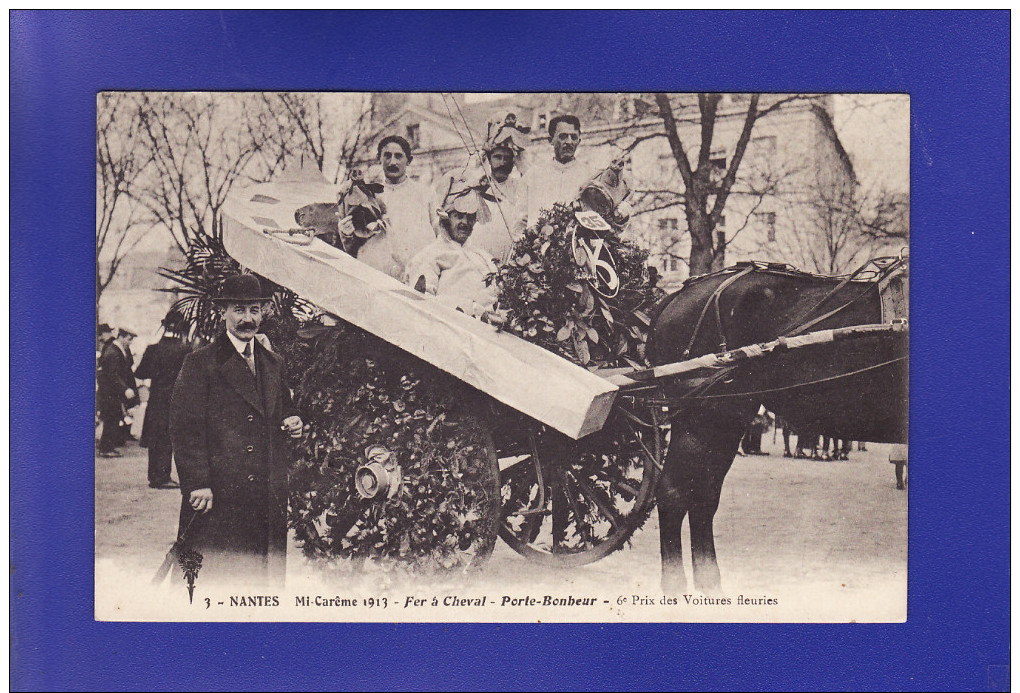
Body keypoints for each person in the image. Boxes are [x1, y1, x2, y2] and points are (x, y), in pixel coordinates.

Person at [170, 274, 304, 587]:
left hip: (265, 494)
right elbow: (185, 428)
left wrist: (294, 421)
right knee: (216, 580)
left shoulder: (273, 363)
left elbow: (284, 410)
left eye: (254, 310)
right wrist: (198, 483)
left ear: (264, 312)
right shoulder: (200, 363)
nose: (247, 319)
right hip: (219, 494)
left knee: (259, 581)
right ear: (224, 313)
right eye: (239, 310)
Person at [340, 135, 434, 280]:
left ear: (409, 160)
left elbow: (438, 237)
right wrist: (347, 234)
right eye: (387, 156)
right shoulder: (366, 195)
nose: (392, 162)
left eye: (398, 156)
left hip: (413, 275)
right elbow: (355, 244)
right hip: (376, 274)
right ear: (379, 159)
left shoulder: (425, 194)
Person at [405, 180, 497, 318]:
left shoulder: (483, 256)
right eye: (459, 217)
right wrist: (472, 309)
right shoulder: (430, 255)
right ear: (446, 219)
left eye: (470, 218)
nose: (465, 223)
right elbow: (422, 302)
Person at [459, 112, 529, 263]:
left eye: (507, 158)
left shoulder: (520, 187)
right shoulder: (478, 185)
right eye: (497, 157)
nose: (502, 163)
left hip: (511, 260)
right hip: (479, 259)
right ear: (489, 159)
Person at [134, 310, 192, 489]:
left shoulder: (153, 349)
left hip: (156, 399)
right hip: (176, 399)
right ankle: (164, 476)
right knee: (169, 437)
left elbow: (140, 373)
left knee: (156, 437)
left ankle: (154, 476)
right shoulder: (185, 349)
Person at [513, 113, 597, 234]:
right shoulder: (532, 176)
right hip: (538, 248)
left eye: (573, 137)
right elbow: (520, 221)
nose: (569, 142)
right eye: (562, 136)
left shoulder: (590, 176)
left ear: (579, 141)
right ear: (551, 140)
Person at [96, 327, 138, 457]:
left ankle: (107, 447)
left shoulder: (115, 350)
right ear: (121, 336)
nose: (129, 342)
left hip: (110, 391)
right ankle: (106, 448)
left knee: (112, 418)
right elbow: (113, 374)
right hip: (110, 392)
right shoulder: (113, 352)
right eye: (128, 339)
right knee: (111, 418)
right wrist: (125, 389)